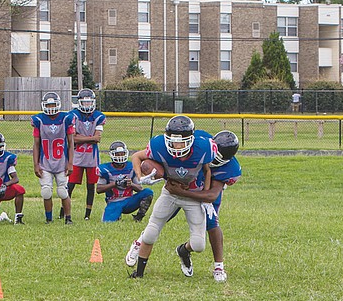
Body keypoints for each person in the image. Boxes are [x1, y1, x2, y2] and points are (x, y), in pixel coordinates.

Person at [125, 115, 216, 278]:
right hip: (170, 193)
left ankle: (183, 251)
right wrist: (140, 177)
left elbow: (208, 170)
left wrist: (205, 196)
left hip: (192, 195)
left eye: (181, 141)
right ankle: (138, 273)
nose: (177, 145)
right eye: (173, 140)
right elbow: (137, 157)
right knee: (151, 231)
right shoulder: (159, 145)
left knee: (199, 245)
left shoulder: (204, 147)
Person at [164, 130, 241, 282]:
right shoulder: (200, 141)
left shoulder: (230, 168)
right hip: (187, 179)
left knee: (212, 224)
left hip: (203, 192)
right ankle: (140, 244)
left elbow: (211, 195)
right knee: (163, 216)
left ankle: (218, 266)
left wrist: (181, 192)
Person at [60, 88, 106, 220]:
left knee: (91, 186)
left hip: (92, 157)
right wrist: (89, 138)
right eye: (84, 103)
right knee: (70, 185)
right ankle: (63, 212)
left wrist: (80, 138)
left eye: (89, 102)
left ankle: (87, 215)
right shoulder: (72, 115)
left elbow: (97, 138)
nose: (87, 105)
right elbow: (73, 137)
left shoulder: (98, 116)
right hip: (76, 156)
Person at [32, 92, 75, 224]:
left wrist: (70, 163)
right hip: (45, 162)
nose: (51, 107)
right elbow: (36, 144)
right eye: (48, 104)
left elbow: (71, 143)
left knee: (63, 191)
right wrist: (36, 164)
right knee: (46, 191)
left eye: (53, 104)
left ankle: (68, 218)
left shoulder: (66, 118)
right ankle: (49, 219)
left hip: (61, 162)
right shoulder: (38, 119)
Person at [97, 141, 154, 222]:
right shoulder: (106, 169)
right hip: (114, 202)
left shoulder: (131, 167)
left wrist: (131, 184)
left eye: (122, 153)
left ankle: (139, 217)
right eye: (117, 154)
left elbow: (140, 188)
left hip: (129, 201)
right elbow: (98, 189)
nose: (120, 156)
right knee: (108, 222)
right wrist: (114, 184)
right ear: (112, 154)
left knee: (148, 192)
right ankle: (116, 214)